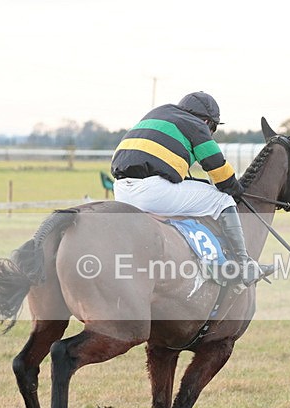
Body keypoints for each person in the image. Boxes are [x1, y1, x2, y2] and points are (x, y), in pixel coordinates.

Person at [111, 91, 272, 286]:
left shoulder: (160, 112)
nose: (210, 131)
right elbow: (218, 169)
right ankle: (245, 264)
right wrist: (235, 189)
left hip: (120, 190)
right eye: (212, 127)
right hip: (151, 191)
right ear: (207, 122)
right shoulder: (196, 125)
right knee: (222, 200)